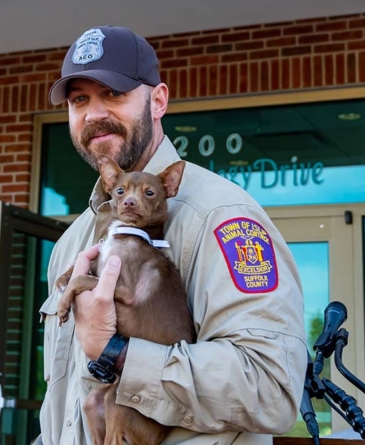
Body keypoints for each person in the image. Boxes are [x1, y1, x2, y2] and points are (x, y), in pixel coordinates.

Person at [38, 25, 307, 445]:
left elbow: (271, 388)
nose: (93, 113)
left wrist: (116, 352)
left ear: (158, 100)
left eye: (113, 94)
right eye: (79, 100)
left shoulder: (220, 217)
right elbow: (65, 402)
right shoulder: (73, 241)